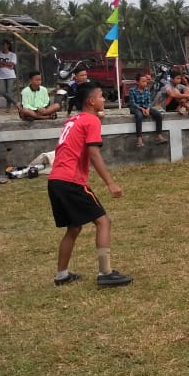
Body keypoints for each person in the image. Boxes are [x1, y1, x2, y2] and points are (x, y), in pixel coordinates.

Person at [47, 81, 132, 288]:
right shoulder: (91, 120)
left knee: (74, 227)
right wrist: (111, 183)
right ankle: (105, 273)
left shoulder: (73, 120)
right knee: (103, 222)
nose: (104, 99)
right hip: (71, 180)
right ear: (91, 101)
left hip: (55, 180)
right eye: (101, 96)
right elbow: (94, 154)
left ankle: (62, 275)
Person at [127, 73, 166, 146]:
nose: (145, 83)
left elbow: (149, 102)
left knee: (158, 115)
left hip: (145, 107)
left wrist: (147, 109)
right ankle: (139, 138)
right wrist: (142, 109)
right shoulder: (132, 90)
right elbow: (133, 103)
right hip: (136, 108)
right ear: (137, 82)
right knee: (139, 116)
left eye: (146, 81)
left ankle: (159, 135)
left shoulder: (147, 90)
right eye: (143, 81)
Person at [0, 39, 18, 111]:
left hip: (10, 75)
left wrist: (1, 63)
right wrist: (7, 64)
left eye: (4, 44)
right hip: (0, 75)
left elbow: (12, 64)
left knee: (9, 91)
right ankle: (15, 102)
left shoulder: (13, 55)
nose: (3, 46)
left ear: (8, 45)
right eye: (2, 44)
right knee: (2, 91)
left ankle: (8, 107)